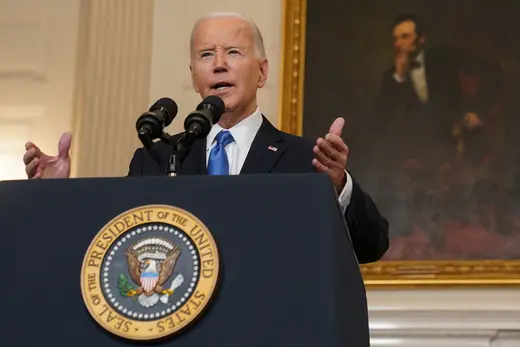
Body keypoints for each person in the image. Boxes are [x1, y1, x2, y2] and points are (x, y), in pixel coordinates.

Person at [22, 12, 389, 263]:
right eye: (206, 55)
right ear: (195, 76)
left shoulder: (306, 158)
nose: (219, 64)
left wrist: (340, 186)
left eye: (233, 52)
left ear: (261, 72)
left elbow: (371, 246)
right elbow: (109, 248)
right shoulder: (157, 156)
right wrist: (52, 196)